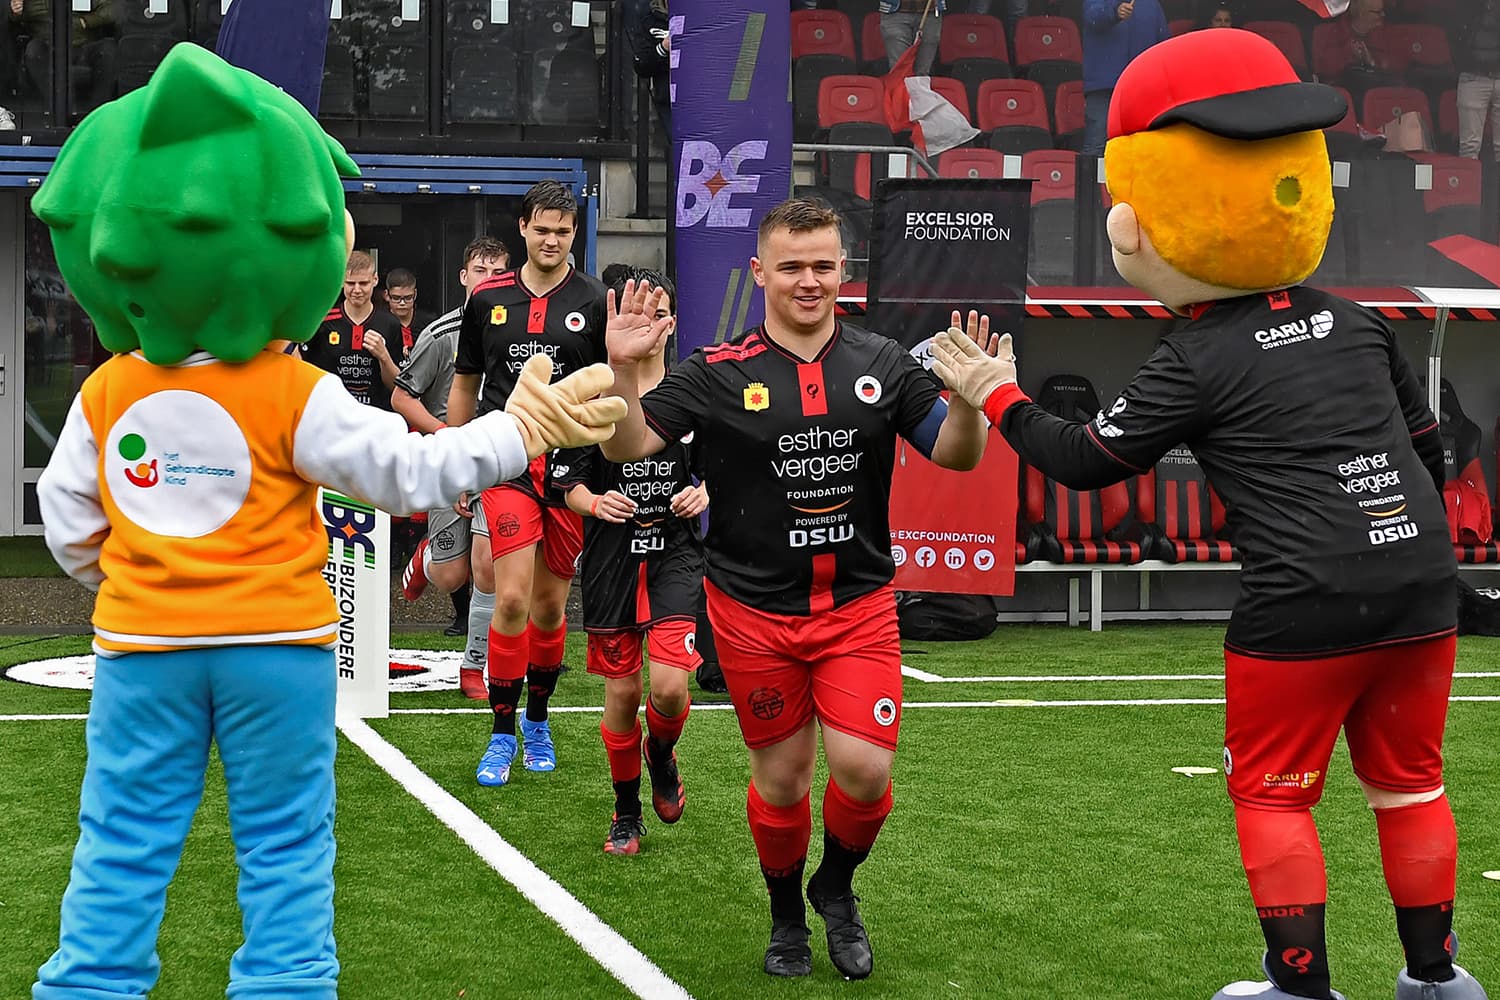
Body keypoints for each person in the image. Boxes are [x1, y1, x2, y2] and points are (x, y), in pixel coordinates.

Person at [28, 45, 626, 1000]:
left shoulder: (107, 390)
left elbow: (66, 527)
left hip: (143, 648)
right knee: (284, 837)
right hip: (277, 645)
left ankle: (90, 985)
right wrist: (523, 432)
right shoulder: (292, 389)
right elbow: (410, 471)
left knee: (125, 836)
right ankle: (285, 985)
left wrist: (139, 582)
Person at [930, 28, 1483, 1000]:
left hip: (1300, 609)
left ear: (1135, 221)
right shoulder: (1358, 321)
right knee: (1411, 786)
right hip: (1421, 586)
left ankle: (1300, 986)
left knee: (1272, 795)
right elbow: (1426, 449)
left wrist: (996, 389)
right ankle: (1436, 979)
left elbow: (1082, 462)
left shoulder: (1197, 355)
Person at [602, 198, 991, 980]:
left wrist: (973, 402)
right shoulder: (715, 372)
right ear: (760, 273)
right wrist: (621, 371)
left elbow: (955, 456)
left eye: (822, 265)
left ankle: (835, 889)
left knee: (865, 771)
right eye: (791, 266)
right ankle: (786, 918)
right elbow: (628, 444)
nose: (808, 281)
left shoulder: (886, 363)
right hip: (752, 618)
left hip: (857, 611)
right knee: (782, 786)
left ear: (843, 270)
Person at [448, 179, 609, 786]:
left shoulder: (595, 300)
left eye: (563, 231)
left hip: (571, 469)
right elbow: (466, 383)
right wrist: (457, 455)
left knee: (547, 607)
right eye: (542, 229)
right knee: (510, 597)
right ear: (522, 228)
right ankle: (501, 733)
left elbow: (607, 389)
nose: (551, 240)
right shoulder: (486, 299)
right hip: (505, 463)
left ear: (575, 234)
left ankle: (538, 719)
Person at [556, 269, 706, 856]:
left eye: (661, 310)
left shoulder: (695, 388)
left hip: (674, 551)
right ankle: (626, 811)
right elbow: (566, 480)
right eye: (639, 310)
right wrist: (592, 500)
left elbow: (726, 463)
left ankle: (662, 754)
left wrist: (706, 491)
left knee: (668, 688)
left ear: (672, 321)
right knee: (621, 697)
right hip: (613, 559)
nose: (651, 321)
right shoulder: (593, 391)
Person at [393, 237, 512, 694]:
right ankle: (426, 556)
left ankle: (475, 662)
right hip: (451, 458)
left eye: (498, 271)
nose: (489, 279)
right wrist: (446, 437)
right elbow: (402, 395)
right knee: (451, 573)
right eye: (480, 270)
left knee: (491, 568)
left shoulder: (517, 325)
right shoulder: (442, 335)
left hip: (500, 463)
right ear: (464, 277)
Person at [300, 250, 406, 410]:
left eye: (363, 283)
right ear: (342, 281)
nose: (357, 290)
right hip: (331, 415)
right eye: (350, 283)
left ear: (375, 280)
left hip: (374, 416)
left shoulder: (390, 324)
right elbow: (301, 371)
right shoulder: (322, 321)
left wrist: (384, 356)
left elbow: (398, 388)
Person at [1081, 0, 1169, 155]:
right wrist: (1114, 12)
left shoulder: (1151, 4)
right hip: (1104, 87)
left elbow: (1164, 44)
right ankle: (1092, 180)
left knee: (1141, 149)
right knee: (1097, 146)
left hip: (1140, 88)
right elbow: (1092, 16)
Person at [1456, 0, 1500, 162]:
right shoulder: (1467, 5)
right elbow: (1456, 32)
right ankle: (1468, 187)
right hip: (1473, 75)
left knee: (1470, 148)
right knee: (1469, 148)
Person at [620, 0, 670, 139]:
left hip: (698, 100)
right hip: (667, 101)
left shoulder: (698, 18)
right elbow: (642, 64)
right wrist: (663, 48)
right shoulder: (649, 19)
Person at [880, 0, 945, 76]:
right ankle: (900, 87)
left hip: (930, 12)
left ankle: (918, 87)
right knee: (899, 69)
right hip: (895, 12)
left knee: (923, 71)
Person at [384, 266, 435, 356]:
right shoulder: (381, 322)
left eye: (408, 298)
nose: (402, 303)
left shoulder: (430, 323)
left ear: (415, 294)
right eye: (396, 298)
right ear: (387, 295)